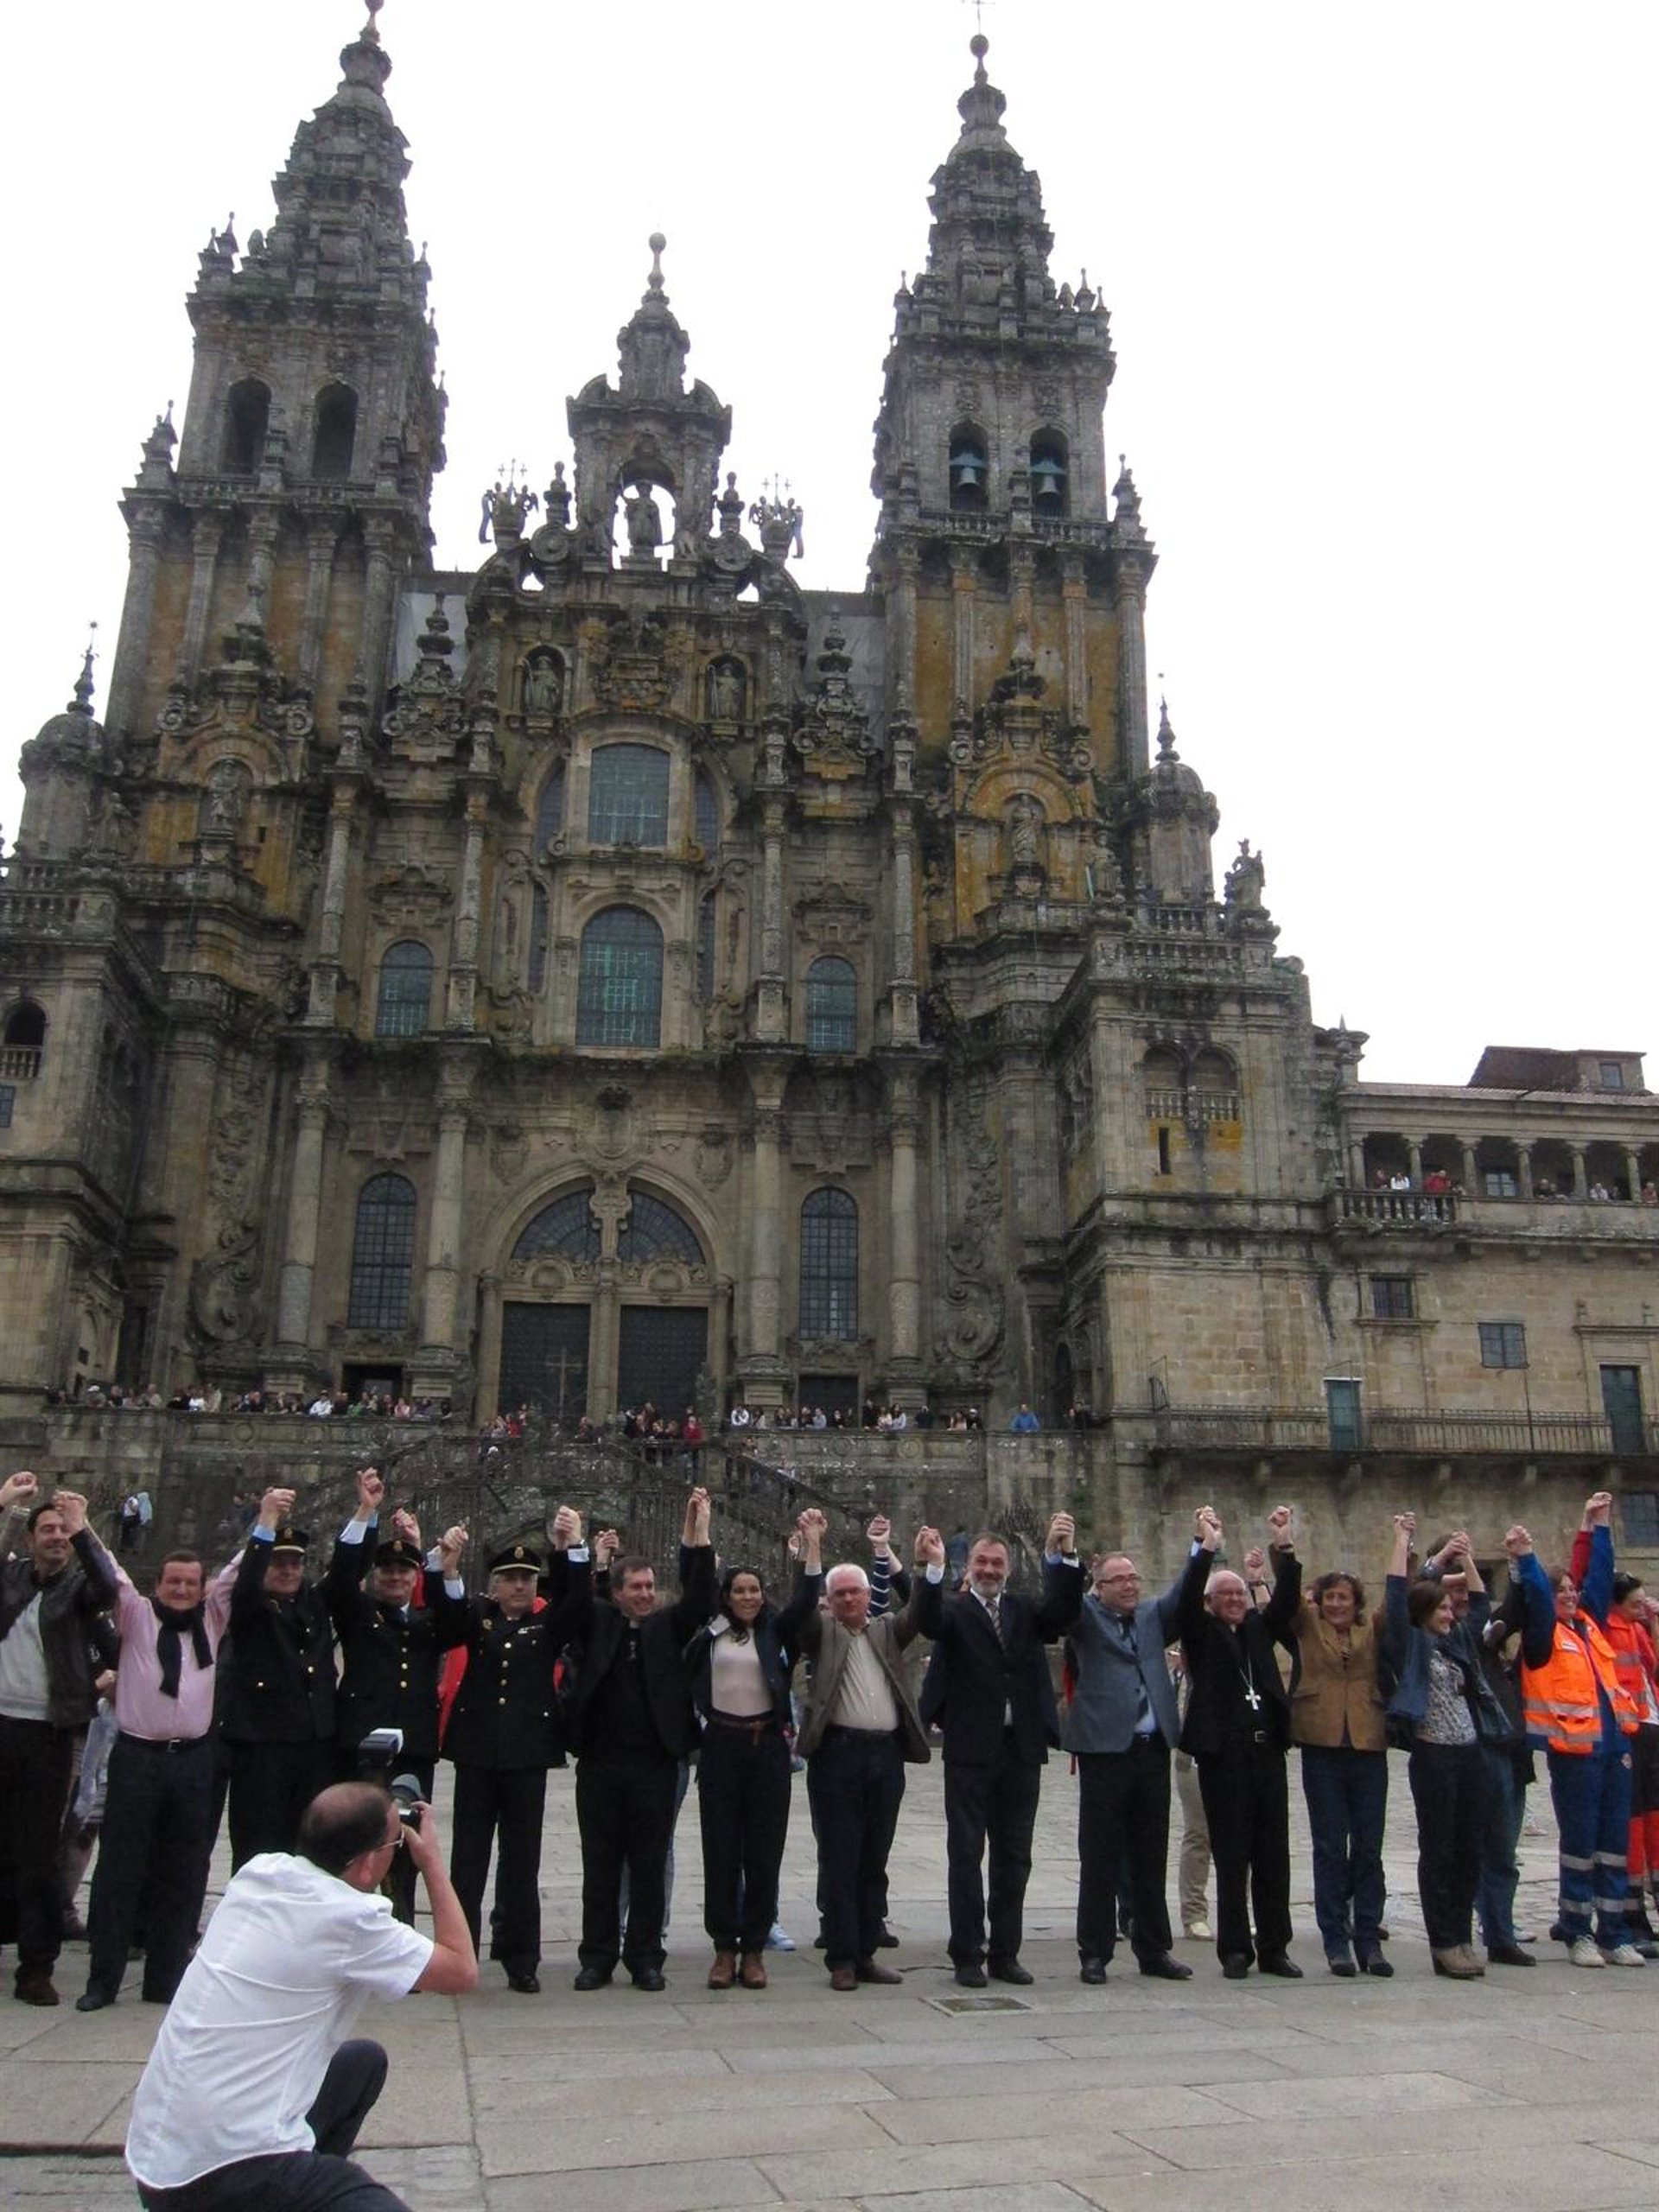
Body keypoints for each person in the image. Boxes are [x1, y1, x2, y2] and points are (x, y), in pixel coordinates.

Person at [124, 1780, 477, 2209]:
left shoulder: (259, 1873)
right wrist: (431, 1862)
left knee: (361, 2064)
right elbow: (462, 1969)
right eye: (395, 1843)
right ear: (368, 1864)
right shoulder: (350, 1919)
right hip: (225, 2171)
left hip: (158, 2160)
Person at [916, 1516, 1082, 1986]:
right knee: (966, 1854)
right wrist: (931, 1568)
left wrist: (1061, 1555)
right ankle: (967, 1952)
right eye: (982, 1562)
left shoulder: (1023, 1610)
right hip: (970, 1749)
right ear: (969, 1567)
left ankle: (1006, 1953)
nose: (989, 1570)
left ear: (1008, 1569)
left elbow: (1063, 1612)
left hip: (1020, 1748)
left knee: (1015, 1856)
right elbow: (927, 1621)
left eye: (997, 1563)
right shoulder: (954, 1609)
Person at [561, 1489, 716, 1991]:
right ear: (617, 1591)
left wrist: (698, 1536)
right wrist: (576, 1547)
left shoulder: (667, 1627)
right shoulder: (600, 1623)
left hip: (655, 1762)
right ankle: (598, 1956)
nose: (646, 1595)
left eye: (650, 1586)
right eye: (637, 1587)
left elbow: (700, 1599)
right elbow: (574, 1603)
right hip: (602, 1763)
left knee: (650, 1863)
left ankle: (646, 1956)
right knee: (600, 1864)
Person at [790, 1508, 942, 1990]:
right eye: (839, 1594)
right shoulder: (822, 1634)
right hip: (838, 1755)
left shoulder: (885, 1630)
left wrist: (923, 1565)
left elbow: (921, 1612)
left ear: (867, 1596)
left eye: (855, 1591)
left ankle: (867, 1951)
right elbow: (800, 1610)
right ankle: (841, 1957)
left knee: (875, 1856)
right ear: (830, 1601)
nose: (849, 1599)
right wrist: (812, 1548)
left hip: (884, 1756)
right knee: (840, 1857)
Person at [442, 1516, 582, 1994]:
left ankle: (520, 1956)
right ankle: (459, 1951)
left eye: (528, 1579)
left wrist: (568, 1548)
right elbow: (449, 1617)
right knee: (468, 1860)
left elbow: (576, 1604)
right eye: (511, 1579)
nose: (520, 1586)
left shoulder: (547, 1623)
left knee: (522, 1861)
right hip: (477, 1753)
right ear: (496, 1585)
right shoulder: (479, 1617)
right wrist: (449, 1568)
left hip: (526, 1755)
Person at [324, 1469, 469, 1925]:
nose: (394, 1577)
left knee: (406, 1843)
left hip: (414, 1748)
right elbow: (340, 1580)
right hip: (361, 1746)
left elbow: (459, 1625)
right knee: (354, 1841)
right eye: (386, 1569)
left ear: (414, 1576)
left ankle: (399, 1926)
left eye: (404, 1570)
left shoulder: (427, 1623)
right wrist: (366, 1512)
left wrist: (443, 1568)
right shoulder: (358, 1612)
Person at [1511, 1492, 1644, 1966]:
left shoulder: (1590, 1626)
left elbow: (1598, 1574)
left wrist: (1596, 1524)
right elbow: (1538, 1597)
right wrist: (1527, 1559)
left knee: (1614, 1847)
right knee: (1580, 1847)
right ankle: (1577, 1931)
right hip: (1575, 1756)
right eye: (1561, 1591)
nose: (1570, 1595)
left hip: (1615, 1749)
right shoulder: (1545, 1636)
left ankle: (1614, 1933)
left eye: (1572, 1589)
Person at [0, 1474, 115, 2005]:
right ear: (30, 1539)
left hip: (48, 1730)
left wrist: (82, 1527)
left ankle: (36, 1965)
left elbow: (108, 1587)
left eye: (62, 1533)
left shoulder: (78, 1589)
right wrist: (6, 1505)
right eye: (46, 1530)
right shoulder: (12, 1580)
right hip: (1, 1720)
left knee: (40, 1849)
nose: (55, 1538)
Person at [1177, 1503, 1303, 1980]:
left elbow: (1286, 1602)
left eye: (1238, 1593)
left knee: (1273, 1855)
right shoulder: (1200, 1633)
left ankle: (1275, 1947)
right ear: (1210, 1602)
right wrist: (1205, 1547)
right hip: (1223, 1758)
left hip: (1267, 1751)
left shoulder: (1257, 1629)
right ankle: (1235, 1949)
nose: (1233, 1599)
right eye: (1224, 1594)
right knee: (1232, 1856)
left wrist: (1283, 1546)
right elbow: (1187, 1595)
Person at [1063, 1548, 1194, 1985]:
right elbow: (1061, 1601)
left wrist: (1201, 1549)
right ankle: (1094, 1951)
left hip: (1151, 1749)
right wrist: (1063, 1555)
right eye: (1119, 1579)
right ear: (1099, 1588)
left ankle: (1153, 1947)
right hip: (1105, 1750)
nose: (1129, 1585)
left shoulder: (1152, 1616)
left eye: (1134, 1577)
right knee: (1099, 1854)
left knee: (1150, 1852)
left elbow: (1184, 1595)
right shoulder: (1087, 1617)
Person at [1381, 1518, 1501, 1979]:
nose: (1450, 1614)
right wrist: (1405, 1543)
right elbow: (1397, 1596)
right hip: (1434, 1756)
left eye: (1451, 1608)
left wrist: (1466, 1558)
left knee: (1470, 1848)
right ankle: (1443, 1941)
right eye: (1442, 1609)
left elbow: (1482, 1605)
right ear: (1425, 1612)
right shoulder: (1410, 1645)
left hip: (1469, 1752)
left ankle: (1462, 1936)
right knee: (1440, 1849)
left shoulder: (1458, 1644)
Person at [687, 1554, 813, 1989]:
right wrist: (699, 1534)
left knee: (764, 1851)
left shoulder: (776, 1630)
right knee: (720, 1849)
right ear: (726, 1595)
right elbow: (694, 1583)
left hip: (766, 1747)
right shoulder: (712, 1629)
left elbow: (805, 1601)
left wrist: (811, 1549)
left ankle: (755, 1948)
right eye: (739, 1590)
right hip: (722, 1744)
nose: (747, 1597)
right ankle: (724, 1948)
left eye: (754, 1590)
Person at [220, 1488, 335, 1868]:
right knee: (258, 1848)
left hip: (310, 1744)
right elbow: (247, 1581)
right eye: (278, 1563)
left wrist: (367, 1513)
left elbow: (345, 1574)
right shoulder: (251, 1607)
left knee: (307, 1850)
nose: (288, 1571)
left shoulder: (311, 1605)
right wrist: (266, 1521)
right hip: (262, 1746)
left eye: (295, 1563)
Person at [1287, 1557, 1390, 1976]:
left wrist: (1406, 1547)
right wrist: (1284, 1547)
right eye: (1329, 1597)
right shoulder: (1310, 1627)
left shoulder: (1371, 1629)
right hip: (1322, 1744)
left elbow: (1398, 1598)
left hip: (1367, 1742)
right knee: (1330, 1846)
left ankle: (1368, 1937)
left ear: (1356, 1601)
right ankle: (1335, 1938)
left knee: (1368, 1848)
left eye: (1343, 1597)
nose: (1335, 1604)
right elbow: (1290, 1601)